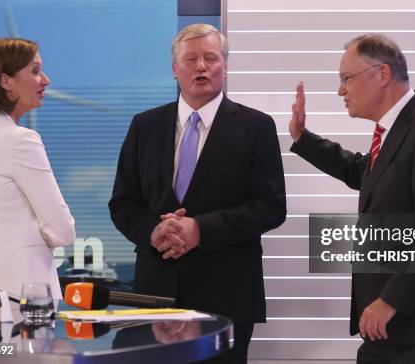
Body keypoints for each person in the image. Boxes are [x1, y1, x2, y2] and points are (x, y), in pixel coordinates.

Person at [289, 34, 415, 363]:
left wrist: (389, 301)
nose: (341, 90)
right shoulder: (398, 128)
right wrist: (303, 139)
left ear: (382, 74)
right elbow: (364, 172)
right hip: (391, 329)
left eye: (346, 79)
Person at [109, 24, 286, 363]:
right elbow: (122, 203)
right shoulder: (144, 126)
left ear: (225, 65)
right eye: (190, 59)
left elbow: (270, 207)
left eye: (211, 58)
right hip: (155, 295)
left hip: (227, 296)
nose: (201, 67)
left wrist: (200, 229)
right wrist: (153, 231)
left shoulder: (256, 127)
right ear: (175, 69)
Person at [0, 38, 75, 299]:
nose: (45, 79)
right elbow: (62, 230)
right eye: (35, 70)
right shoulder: (21, 140)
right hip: (20, 300)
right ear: (5, 80)